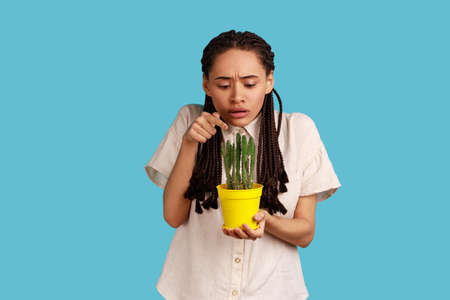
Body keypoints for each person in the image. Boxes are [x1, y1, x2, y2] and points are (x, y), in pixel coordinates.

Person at [144, 29, 341, 300]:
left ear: (269, 81)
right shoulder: (189, 119)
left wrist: (267, 222)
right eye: (223, 85)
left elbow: (305, 232)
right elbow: (173, 216)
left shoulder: (299, 130)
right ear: (206, 84)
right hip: (197, 290)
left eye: (250, 84)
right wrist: (190, 143)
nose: (237, 96)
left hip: (272, 291)